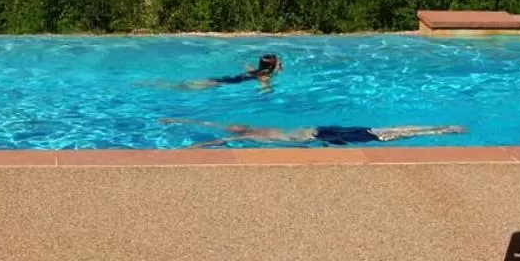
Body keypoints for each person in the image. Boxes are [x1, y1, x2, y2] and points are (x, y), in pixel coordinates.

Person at [168, 120, 466, 148]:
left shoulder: (249, 136)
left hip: (321, 138)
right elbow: (221, 131)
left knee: (385, 136)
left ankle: (442, 129)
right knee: (380, 131)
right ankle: (442, 127)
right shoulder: (254, 130)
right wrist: (181, 119)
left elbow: (223, 138)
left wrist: (199, 147)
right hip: (319, 129)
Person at [179, 52, 283, 92]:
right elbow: (265, 89)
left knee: (186, 84)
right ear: (271, 68)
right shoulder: (264, 77)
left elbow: (248, 66)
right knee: (186, 87)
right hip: (222, 83)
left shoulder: (256, 71)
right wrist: (269, 90)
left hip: (225, 79)